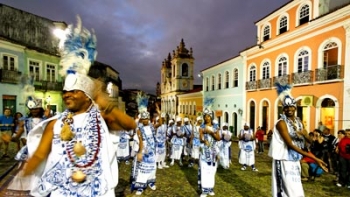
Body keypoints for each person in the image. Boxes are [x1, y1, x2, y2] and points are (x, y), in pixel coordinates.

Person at [22, 17, 137, 197]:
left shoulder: (102, 119)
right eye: (65, 91)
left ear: (87, 96)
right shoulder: (54, 124)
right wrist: (24, 175)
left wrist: (106, 105)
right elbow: (39, 156)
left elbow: (130, 125)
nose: (67, 94)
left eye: (74, 91)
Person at [269, 83, 327, 197]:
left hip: (295, 160)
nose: (289, 109)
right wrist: (315, 158)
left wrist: (305, 135)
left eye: (291, 106)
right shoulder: (281, 123)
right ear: (283, 109)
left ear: (295, 107)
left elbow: (310, 142)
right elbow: (290, 145)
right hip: (283, 159)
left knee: (296, 189)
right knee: (285, 190)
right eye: (286, 107)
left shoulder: (299, 122)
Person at [130, 92, 160, 195]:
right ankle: (140, 186)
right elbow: (141, 142)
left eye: (147, 119)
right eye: (144, 119)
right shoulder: (139, 129)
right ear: (141, 120)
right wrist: (140, 152)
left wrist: (159, 112)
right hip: (144, 150)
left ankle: (151, 182)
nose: (146, 121)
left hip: (152, 151)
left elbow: (160, 123)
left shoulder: (152, 127)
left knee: (152, 168)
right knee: (142, 168)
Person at [198, 99, 221, 197]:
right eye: (205, 116)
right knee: (204, 169)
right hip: (204, 150)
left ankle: (211, 188)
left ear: (211, 116)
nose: (207, 118)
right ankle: (204, 190)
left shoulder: (216, 126)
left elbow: (219, 138)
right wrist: (204, 140)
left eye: (208, 116)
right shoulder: (202, 126)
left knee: (212, 170)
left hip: (213, 151)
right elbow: (200, 138)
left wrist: (211, 132)